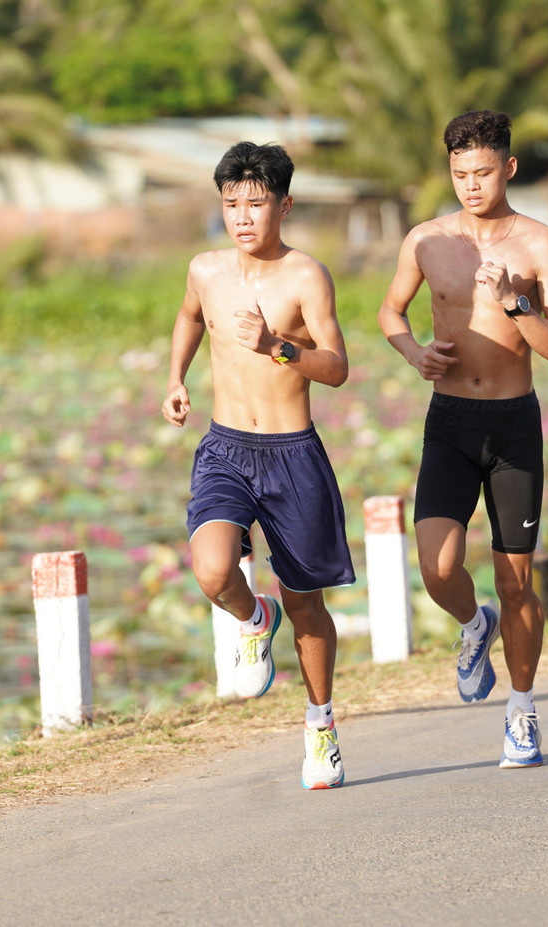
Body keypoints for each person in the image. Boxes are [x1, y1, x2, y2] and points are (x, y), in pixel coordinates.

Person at [378, 110, 548, 769]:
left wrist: (519, 305)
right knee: (436, 568)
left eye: (483, 171)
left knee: (517, 582)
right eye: (460, 173)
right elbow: (389, 312)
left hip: (514, 426)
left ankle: (521, 713)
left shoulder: (541, 244)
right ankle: (473, 624)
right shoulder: (427, 240)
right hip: (450, 421)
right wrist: (413, 353)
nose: (470, 184)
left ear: (509, 168)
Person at [162, 141, 355, 789]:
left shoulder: (306, 277)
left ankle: (321, 724)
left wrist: (278, 346)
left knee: (307, 606)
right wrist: (175, 378)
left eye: (256, 203)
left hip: (291, 453)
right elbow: (190, 317)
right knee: (213, 567)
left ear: (284, 204)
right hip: (225, 448)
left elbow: (336, 366)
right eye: (231, 204)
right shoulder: (204, 269)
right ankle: (251, 617)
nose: (242, 216)